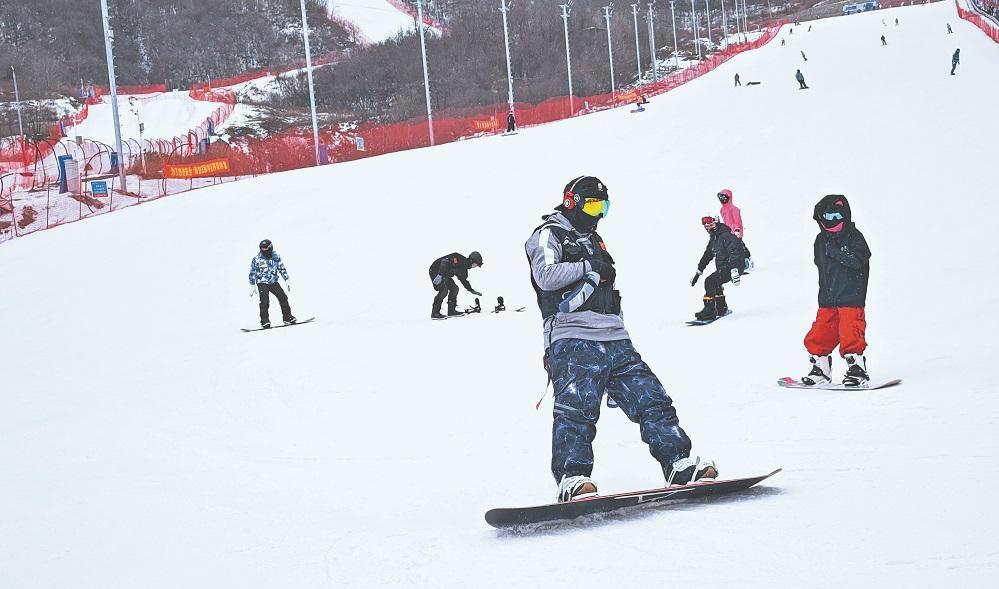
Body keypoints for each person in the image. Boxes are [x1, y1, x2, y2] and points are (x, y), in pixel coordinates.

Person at [525, 176, 717, 502]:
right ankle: (573, 478)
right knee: (576, 410)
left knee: (652, 399)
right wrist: (588, 266)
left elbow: (609, 292)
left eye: (604, 207)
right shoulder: (548, 234)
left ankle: (678, 463)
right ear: (571, 202)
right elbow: (545, 276)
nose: (598, 214)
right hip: (573, 337)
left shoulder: (595, 240)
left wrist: (619, 321)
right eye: (593, 205)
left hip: (615, 338)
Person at [801, 195, 872, 387]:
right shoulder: (820, 240)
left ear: (845, 215)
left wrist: (837, 252)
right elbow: (821, 266)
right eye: (828, 216)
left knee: (851, 332)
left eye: (837, 216)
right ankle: (821, 370)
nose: (833, 221)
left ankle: (857, 370)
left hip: (851, 295)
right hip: (828, 297)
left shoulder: (853, 236)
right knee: (821, 333)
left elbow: (859, 259)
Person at [690, 216, 747, 321]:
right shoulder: (714, 238)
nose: (709, 228)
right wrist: (699, 271)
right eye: (706, 227)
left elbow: (735, 252)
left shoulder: (726, 236)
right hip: (724, 267)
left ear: (717, 223)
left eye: (711, 225)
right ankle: (721, 308)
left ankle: (709, 310)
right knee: (716, 282)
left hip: (733, 266)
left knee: (709, 281)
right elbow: (707, 255)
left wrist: (734, 270)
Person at [249, 239, 295, 329]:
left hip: (273, 282)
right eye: (262, 249)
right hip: (262, 282)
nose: (264, 251)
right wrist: (252, 285)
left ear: (270, 248)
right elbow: (252, 272)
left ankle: (287, 317)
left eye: (266, 249)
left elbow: (282, 268)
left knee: (283, 297)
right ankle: (264, 321)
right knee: (264, 301)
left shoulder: (276, 256)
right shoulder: (256, 259)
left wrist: (286, 279)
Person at [429, 251, 482, 319]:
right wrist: (439, 275)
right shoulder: (459, 259)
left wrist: (471, 290)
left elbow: (463, 280)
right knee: (443, 290)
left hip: (445, 275)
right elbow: (444, 262)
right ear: (472, 260)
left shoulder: (463, 268)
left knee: (454, 288)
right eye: (476, 264)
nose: (475, 266)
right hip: (436, 270)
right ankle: (435, 313)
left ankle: (451, 311)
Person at [717, 189, 752, 271]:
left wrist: (737, 230)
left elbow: (738, 221)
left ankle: (747, 261)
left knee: (739, 246)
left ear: (729, 197)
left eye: (724, 197)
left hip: (737, 231)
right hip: (728, 232)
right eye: (720, 198)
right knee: (731, 247)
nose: (722, 199)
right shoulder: (722, 210)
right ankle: (737, 263)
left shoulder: (734, 209)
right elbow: (726, 222)